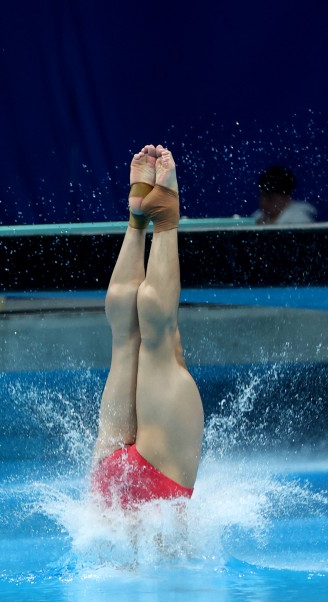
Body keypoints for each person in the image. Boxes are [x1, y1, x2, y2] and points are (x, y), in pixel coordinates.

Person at [90, 145, 203, 509]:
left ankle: (163, 219)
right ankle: (143, 219)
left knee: (158, 340)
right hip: (108, 481)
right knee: (128, 339)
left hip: (146, 485)